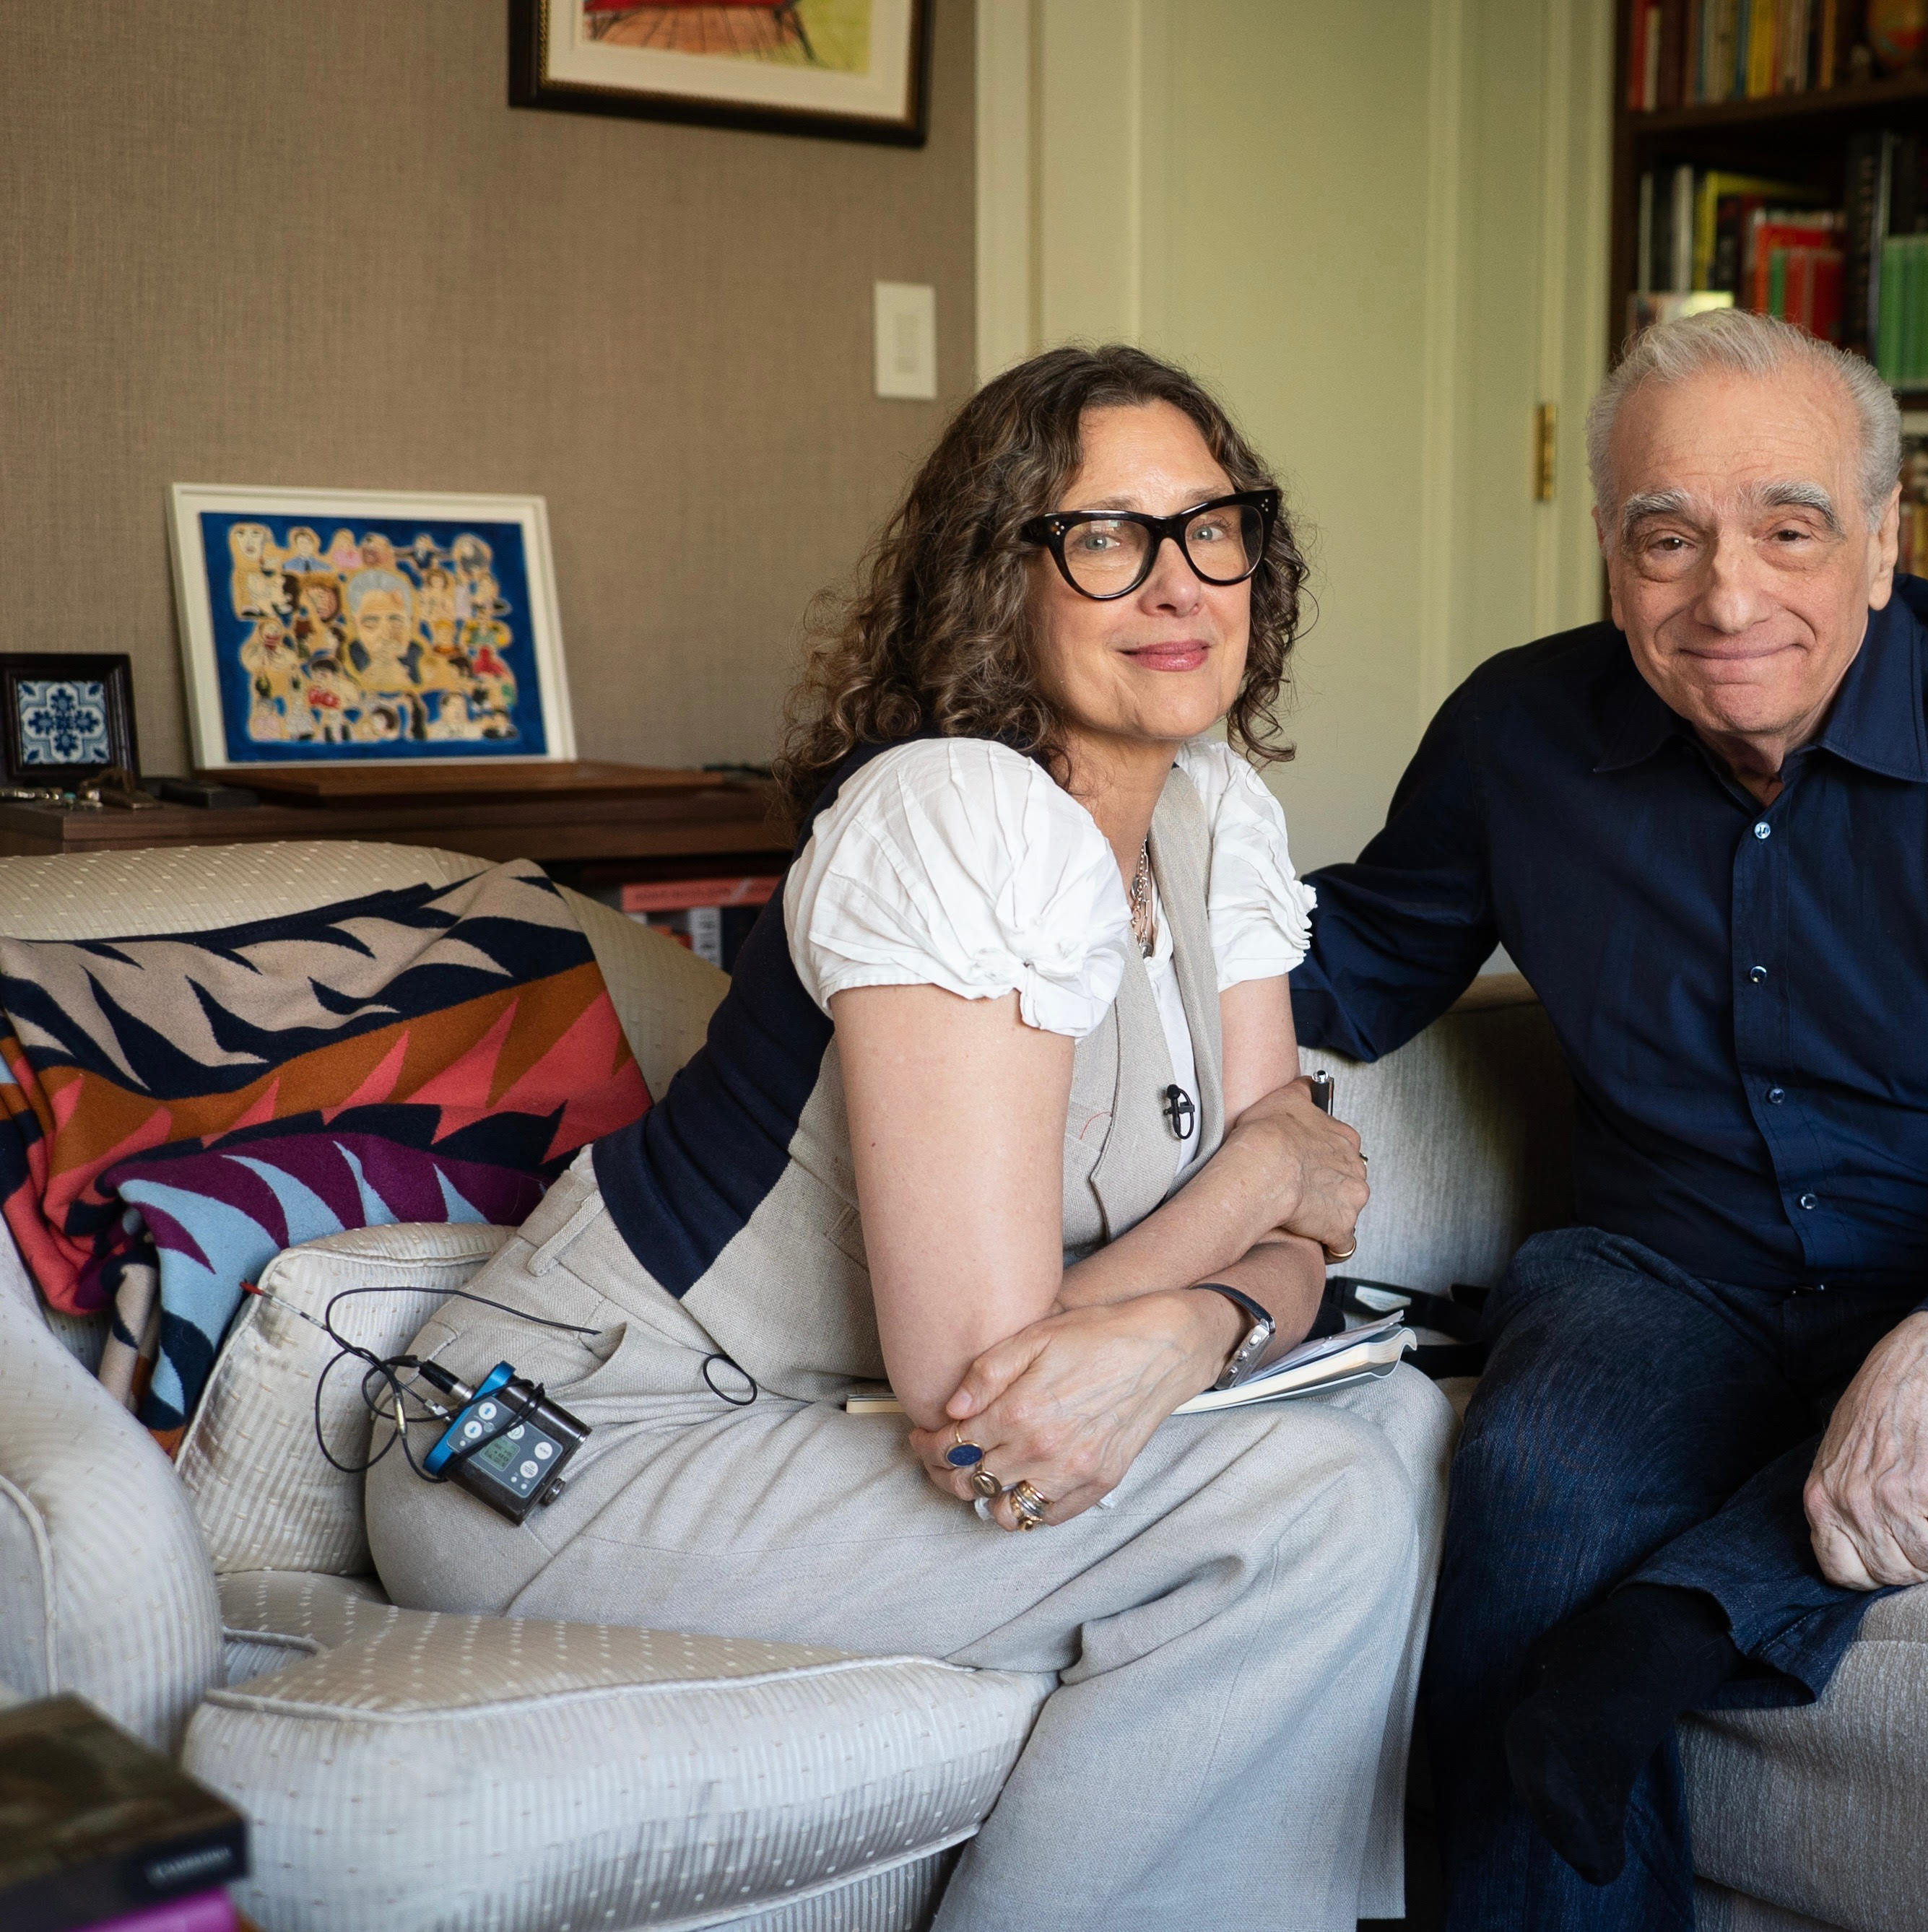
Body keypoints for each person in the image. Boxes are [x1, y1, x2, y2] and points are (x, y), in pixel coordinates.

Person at [367, 345, 1452, 1932]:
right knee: (1305, 1509)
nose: (1175, 582)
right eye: (1104, 537)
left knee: (1399, 1441)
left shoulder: (1212, 813)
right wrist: (1240, 1203)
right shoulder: (959, 816)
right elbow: (984, 1390)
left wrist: (1204, 1305)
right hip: (586, 1445)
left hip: (829, 1424)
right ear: (997, 580)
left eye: (1211, 527)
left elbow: (1310, 1230)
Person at [1290, 307, 1928, 1928]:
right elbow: (1341, 967)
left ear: (1882, 543)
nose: (1727, 597)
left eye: (1788, 528)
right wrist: (1078, 888)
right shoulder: (1514, 735)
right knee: (1536, 1485)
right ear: (1607, 552)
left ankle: (1686, 1623)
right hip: (1663, 1276)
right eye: (1665, 538)